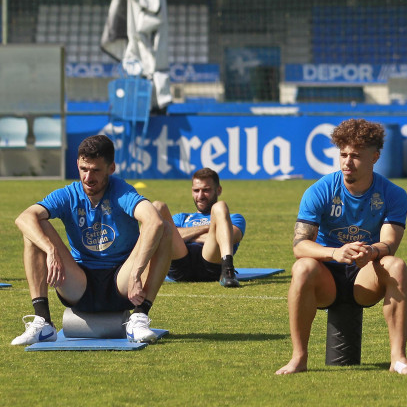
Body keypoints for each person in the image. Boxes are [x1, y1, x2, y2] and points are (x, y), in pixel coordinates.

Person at [276, 119, 407, 375]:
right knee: (302, 267)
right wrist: (334, 253)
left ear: (375, 157)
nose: (346, 162)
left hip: (364, 277)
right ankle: (299, 358)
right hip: (325, 277)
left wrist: (371, 252)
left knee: (396, 265)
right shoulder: (319, 190)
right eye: (343, 155)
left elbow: (389, 243)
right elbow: (300, 245)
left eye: (355, 156)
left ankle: (398, 359)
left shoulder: (393, 193)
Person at [11, 134, 172, 346]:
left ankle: (139, 318)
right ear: (77, 164)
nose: (88, 177)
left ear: (111, 168)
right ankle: (43, 322)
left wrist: (136, 273)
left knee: (164, 225)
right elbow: (23, 218)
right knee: (35, 226)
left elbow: (153, 222)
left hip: (122, 283)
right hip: (79, 285)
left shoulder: (122, 191)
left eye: (96, 170)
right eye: (84, 169)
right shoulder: (69, 194)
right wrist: (50, 250)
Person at [153, 168, 245, 288]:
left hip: (211, 264)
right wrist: (209, 228)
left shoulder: (232, 217)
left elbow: (231, 237)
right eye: (196, 190)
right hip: (180, 265)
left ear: (218, 190)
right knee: (157, 206)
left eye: (206, 190)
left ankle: (228, 272)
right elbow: (166, 236)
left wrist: (188, 237)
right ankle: (137, 269)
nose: (200, 196)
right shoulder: (182, 217)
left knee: (220, 206)